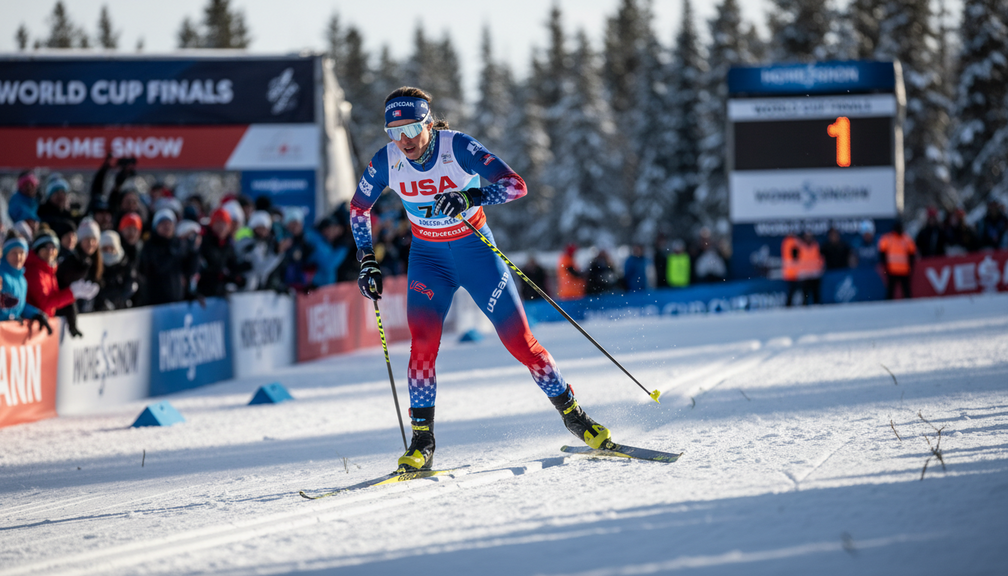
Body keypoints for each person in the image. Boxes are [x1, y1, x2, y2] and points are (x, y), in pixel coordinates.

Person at [352, 86, 612, 471]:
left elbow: (516, 185)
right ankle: (422, 441)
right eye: (394, 132)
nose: (404, 140)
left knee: (520, 342)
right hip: (429, 261)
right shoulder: (386, 160)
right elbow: (359, 208)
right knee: (422, 347)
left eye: (411, 129)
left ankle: (576, 418)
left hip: (476, 253)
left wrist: (471, 197)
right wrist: (367, 260)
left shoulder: (457, 147)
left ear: (427, 123)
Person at [25, 231, 99, 319]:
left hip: (44, 320)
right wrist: (72, 292)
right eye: (46, 248)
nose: (50, 252)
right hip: (32, 320)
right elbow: (45, 304)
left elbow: (54, 301)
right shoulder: (34, 271)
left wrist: (74, 293)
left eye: (54, 248)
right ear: (38, 250)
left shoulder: (49, 270)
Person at [137, 209, 200, 306]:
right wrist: (173, 252)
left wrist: (193, 251)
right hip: (156, 304)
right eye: (163, 223)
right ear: (156, 226)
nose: (167, 226)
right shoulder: (150, 246)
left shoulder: (178, 244)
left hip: (177, 302)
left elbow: (190, 271)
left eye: (169, 223)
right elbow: (159, 267)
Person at [0, 235, 53, 334]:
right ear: (6, 254)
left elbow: (19, 304)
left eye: (22, 253)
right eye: (14, 253)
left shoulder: (22, 280)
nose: (18, 257)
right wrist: (6, 318)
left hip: (9, 333)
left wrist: (35, 314)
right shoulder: (1, 275)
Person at [197, 208, 248, 297]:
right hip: (203, 293)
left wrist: (238, 276)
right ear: (212, 224)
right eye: (218, 223)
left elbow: (232, 265)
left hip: (219, 293)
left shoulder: (228, 244)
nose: (221, 227)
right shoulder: (203, 242)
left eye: (224, 223)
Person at [95, 230, 139, 310]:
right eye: (105, 248)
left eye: (111, 248)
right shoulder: (95, 267)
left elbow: (130, 286)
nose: (108, 251)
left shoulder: (126, 266)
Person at [781, 230, 824, 306]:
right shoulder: (799, 245)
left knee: (815, 293)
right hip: (802, 274)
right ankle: (797, 305)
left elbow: (819, 258)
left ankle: (815, 305)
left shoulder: (815, 245)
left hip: (815, 273)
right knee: (801, 293)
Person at [878, 221, 917, 300]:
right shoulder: (890, 238)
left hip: (902, 270)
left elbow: (912, 253)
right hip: (893, 270)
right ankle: (890, 304)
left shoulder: (905, 239)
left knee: (905, 289)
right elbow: (882, 251)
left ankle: (908, 304)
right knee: (892, 290)